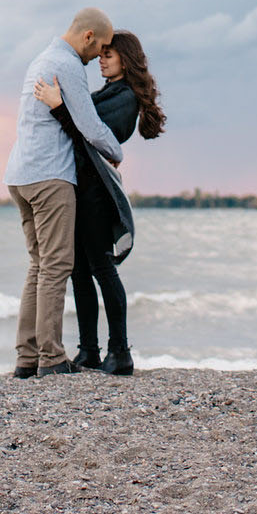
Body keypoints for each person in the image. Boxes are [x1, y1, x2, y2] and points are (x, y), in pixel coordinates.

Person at [34, 29, 165, 375]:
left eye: (109, 54)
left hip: (96, 190)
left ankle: (120, 351)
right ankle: (89, 350)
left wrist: (59, 106)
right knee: (79, 270)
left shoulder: (124, 97)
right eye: (101, 54)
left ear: (126, 59)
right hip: (82, 184)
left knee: (102, 268)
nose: (102, 60)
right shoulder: (111, 91)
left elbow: (84, 129)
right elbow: (84, 124)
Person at [4, 8, 125, 378]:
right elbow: (90, 125)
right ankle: (52, 357)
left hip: (19, 174)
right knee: (57, 266)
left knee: (39, 265)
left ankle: (27, 357)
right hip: (49, 176)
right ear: (88, 36)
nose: (97, 57)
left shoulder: (41, 58)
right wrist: (116, 152)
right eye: (100, 47)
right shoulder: (67, 64)